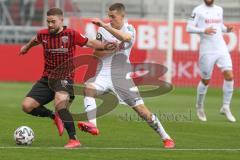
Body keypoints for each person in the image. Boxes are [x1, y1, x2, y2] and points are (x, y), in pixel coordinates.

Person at [77, 3, 175, 148]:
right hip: (103, 73)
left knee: (142, 111)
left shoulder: (129, 28)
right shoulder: (103, 31)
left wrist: (105, 26)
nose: (110, 19)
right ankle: (93, 125)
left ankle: (166, 138)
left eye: (113, 17)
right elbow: (96, 53)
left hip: (121, 76)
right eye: (109, 16)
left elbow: (126, 38)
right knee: (88, 88)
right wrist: (107, 48)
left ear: (122, 16)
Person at [19, 7, 115, 148]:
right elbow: (35, 40)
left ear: (61, 20)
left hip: (65, 78)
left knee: (60, 102)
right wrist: (26, 47)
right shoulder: (43, 34)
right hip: (46, 79)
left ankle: (74, 139)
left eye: (53, 22)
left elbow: (91, 43)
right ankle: (54, 116)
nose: (50, 25)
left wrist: (107, 45)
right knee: (26, 106)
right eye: (48, 22)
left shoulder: (71, 34)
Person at [186, 0, 236, 122]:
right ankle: (199, 106)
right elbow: (188, 28)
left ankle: (225, 106)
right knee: (206, 80)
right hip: (207, 51)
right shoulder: (197, 10)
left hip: (221, 48)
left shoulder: (219, 9)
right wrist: (203, 30)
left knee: (229, 76)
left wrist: (227, 29)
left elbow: (220, 27)